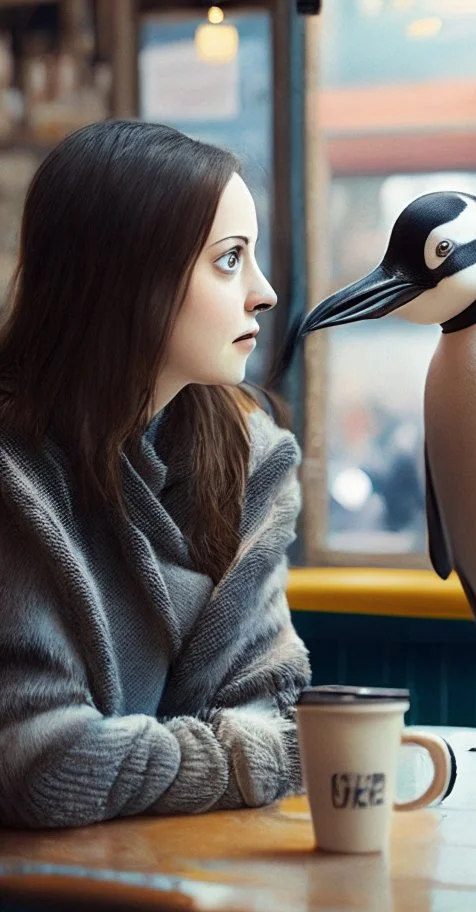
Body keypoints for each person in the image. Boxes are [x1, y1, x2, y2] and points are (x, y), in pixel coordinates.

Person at [0, 119, 311, 829]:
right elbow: (41, 764)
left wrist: (138, 759)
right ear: (128, 276)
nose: (262, 292)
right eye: (230, 259)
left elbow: (280, 714)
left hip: (200, 876)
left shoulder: (250, 454)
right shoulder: (13, 467)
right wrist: (239, 758)